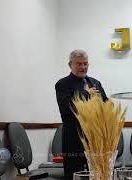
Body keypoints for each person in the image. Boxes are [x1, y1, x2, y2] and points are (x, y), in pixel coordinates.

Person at [55, 49, 108, 179]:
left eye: (85, 63)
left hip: (96, 139)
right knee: (74, 175)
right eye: (79, 64)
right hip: (74, 140)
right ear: (70, 65)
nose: (83, 67)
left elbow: (106, 104)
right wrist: (86, 94)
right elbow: (66, 107)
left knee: (96, 175)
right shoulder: (62, 84)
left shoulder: (96, 82)